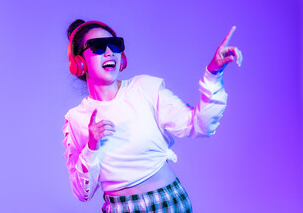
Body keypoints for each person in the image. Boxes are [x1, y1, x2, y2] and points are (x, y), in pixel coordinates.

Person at [62, 19, 243, 213]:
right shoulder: (77, 118)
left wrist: (213, 74)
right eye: (97, 47)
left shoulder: (145, 88)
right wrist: (91, 147)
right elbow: (82, 194)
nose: (109, 52)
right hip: (121, 209)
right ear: (79, 62)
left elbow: (200, 126)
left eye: (115, 45)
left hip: (170, 202)